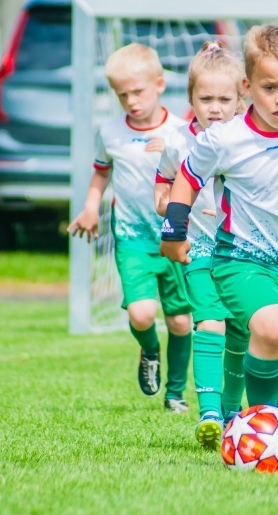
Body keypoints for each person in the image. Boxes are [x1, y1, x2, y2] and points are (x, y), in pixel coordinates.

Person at [160, 25, 278, 430]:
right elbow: (186, 178)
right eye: (270, 87)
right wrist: (173, 232)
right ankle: (260, 431)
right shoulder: (225, 139)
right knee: (272, 327)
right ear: (247, 86)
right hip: (241, 260)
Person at [68, 43, 193, 412]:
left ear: (159, 84)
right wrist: (91, 208)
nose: (131, 101)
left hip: (174, 238)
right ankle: (150, 350)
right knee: (141, 314)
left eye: (138, 92)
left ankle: (175, 395)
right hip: (133, 240)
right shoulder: (110, 133)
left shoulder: (180, 131)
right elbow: (101, 173)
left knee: (181, 321)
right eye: (122, 95)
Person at [154, 40, 248, 449]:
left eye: (224, 99)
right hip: (200, 249)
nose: (215, 108)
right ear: (191, 98)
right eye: (205, 99)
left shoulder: (249, 139)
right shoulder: (178, 141)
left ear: (241, 98)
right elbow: (162, 186)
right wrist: (171, 207)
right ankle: (209, 412)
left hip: (242, 252)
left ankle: (231, 411)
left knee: (241, 332)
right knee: (210, 322)